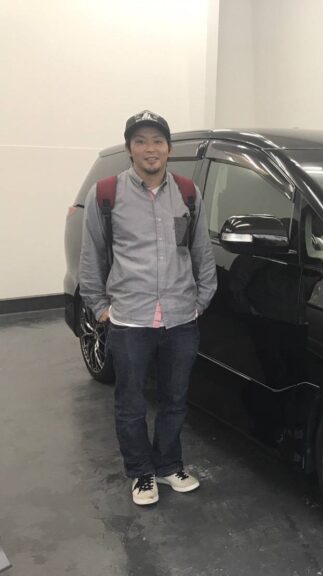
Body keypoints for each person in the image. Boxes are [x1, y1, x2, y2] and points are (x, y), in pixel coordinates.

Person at [79, 110, 217, 505]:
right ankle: (141, 473)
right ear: (130, 149)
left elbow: (201, 250)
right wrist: (100, 307)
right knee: (131, 403)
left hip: (180, 317)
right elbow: (93, 256)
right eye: (140, 141)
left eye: (157, 141)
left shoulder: (187, 192)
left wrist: (201, 299)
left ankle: (169, 465)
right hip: (129, 320)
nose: (150, 149)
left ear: (169, 148)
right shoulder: (106, 194)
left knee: (175, 400)